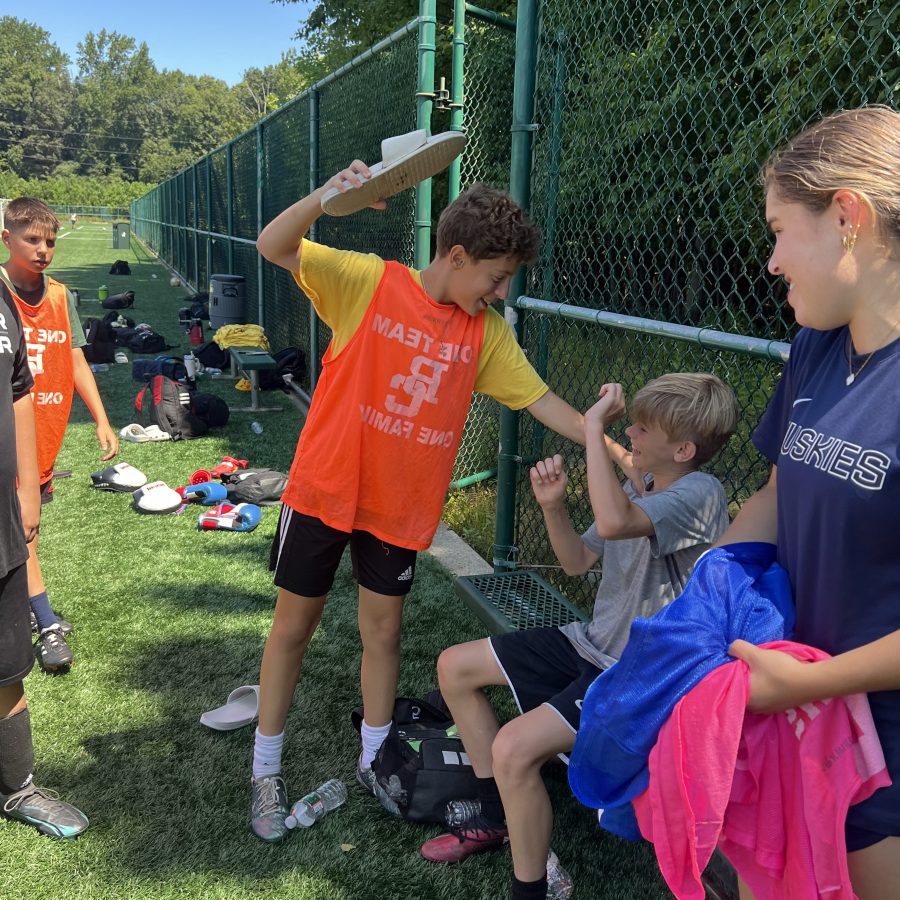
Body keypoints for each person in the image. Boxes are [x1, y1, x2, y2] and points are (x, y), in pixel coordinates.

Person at [250, 168, 626, 842]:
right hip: (324, 491)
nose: (501, 292)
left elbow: (544, 403)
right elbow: (273, 244)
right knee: (292, 630)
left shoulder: (486, 333)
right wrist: (327, 197)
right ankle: (265, 770)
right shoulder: (368, 281)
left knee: (384, 634)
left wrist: (615, 449)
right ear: (456, 256)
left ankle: (374, 759)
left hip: (398, 508)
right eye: (496, 277)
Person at [420, 373, 738, 900]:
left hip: (637, 673)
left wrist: (593, 427)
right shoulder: (642, 486)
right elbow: (576, 560)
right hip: (591, 642)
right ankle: (497, 818)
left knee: (513, 748)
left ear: (683, 450)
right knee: (455, 667)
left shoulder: (701, 493)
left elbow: (612, 523)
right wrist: (553, 506)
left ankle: (532, 890)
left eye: (643, 428)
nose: (630, 433)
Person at [723, 106, 900, 899]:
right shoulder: (816, 346)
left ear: (847, 217)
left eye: (779, 230)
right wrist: (711, 587)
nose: (770, 261)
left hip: (881, 755)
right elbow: (775, 493)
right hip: (788, 708)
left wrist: (805, 686)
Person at [0, 198, 118, 671]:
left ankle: (28, 608)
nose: (43, 249)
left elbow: (73, 358)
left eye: (49, 241)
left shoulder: (59, 296)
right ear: (7, 238)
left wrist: (102, 418)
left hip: (44, 433)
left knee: (27, 530)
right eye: (31, 239)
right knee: (22, 535)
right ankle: (46, 622)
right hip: (8, 435)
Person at [0, 282, 88, 837]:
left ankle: (18, 787)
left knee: (7, 662)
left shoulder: (1, 299)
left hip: (3, 515)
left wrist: (29, 488)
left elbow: (19, 389)